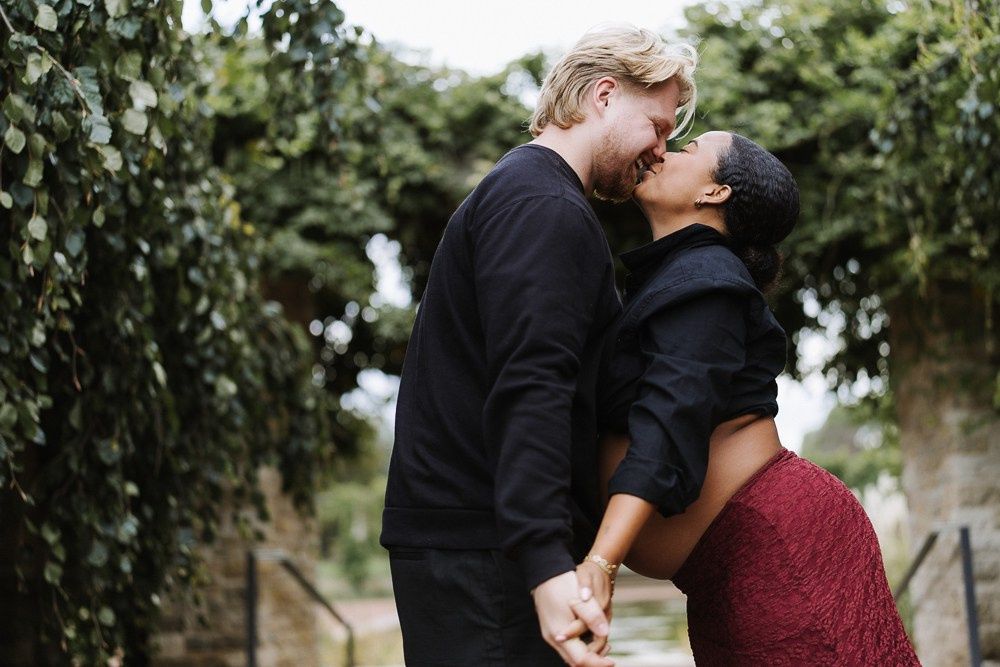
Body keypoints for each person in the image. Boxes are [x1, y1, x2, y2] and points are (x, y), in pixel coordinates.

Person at [380, 25, 698, 667]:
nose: (660, 151)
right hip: (487, 559)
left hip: (479, 548)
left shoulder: (532, 194)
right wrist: (546, 563)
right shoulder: (541, 204)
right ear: (604, 96)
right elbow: (532, 385)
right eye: (658, 126)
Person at [568, 131, 921, 665]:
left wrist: (602, 561)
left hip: (776, 548)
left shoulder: (707, 279)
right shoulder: (677, 276)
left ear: (715, 193)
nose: (662, 151)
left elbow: (670, 420)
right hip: (732, 565)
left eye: (687, 151)